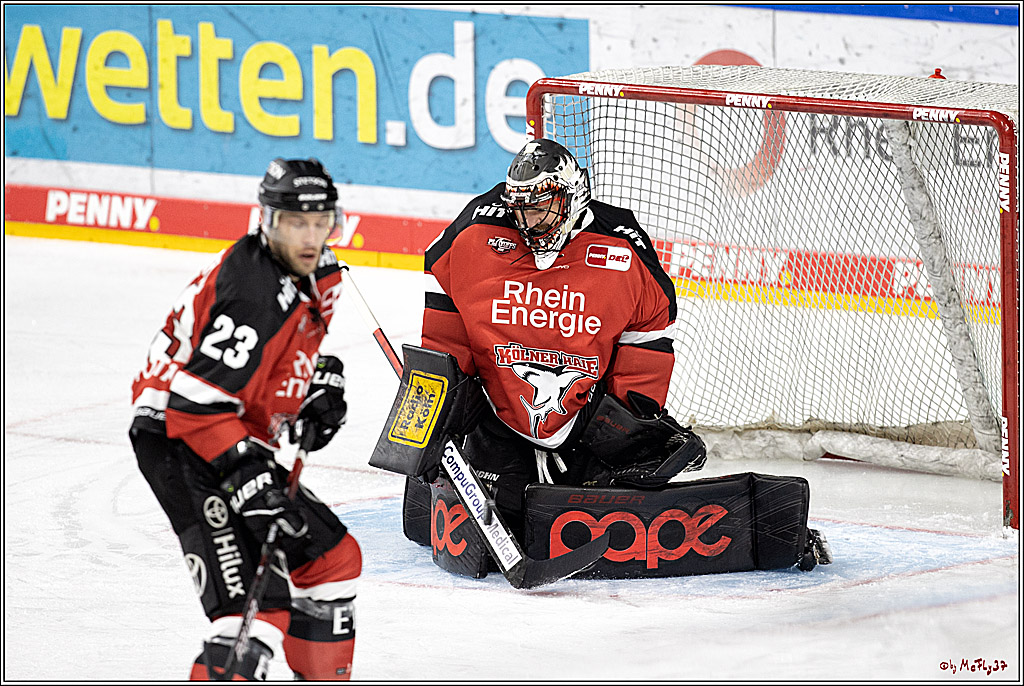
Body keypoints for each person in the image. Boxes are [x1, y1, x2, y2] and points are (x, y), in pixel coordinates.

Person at [403, 138, 707, 547]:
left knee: (600, 501)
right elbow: (444, 325)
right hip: (498, 414)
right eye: (520, 210)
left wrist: (632, 418)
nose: (528, 222)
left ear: (571, 196)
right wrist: (434, 411)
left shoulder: (619, 242)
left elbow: (648, 332)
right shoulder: (477, 231)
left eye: (539, 207)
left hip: (581, 418)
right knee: (508, 516)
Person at [130, 158, 359, 680]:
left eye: (321, 221)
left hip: (225, 431)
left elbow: (271, 360)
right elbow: (194, 405)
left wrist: (315, 380)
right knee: (252, 616)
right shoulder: (252, 291)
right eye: (295, 223)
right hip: (179, 437)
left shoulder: (317, 274)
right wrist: (251, 482)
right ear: (267, 221)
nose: (310, 235)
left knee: (331, 561)